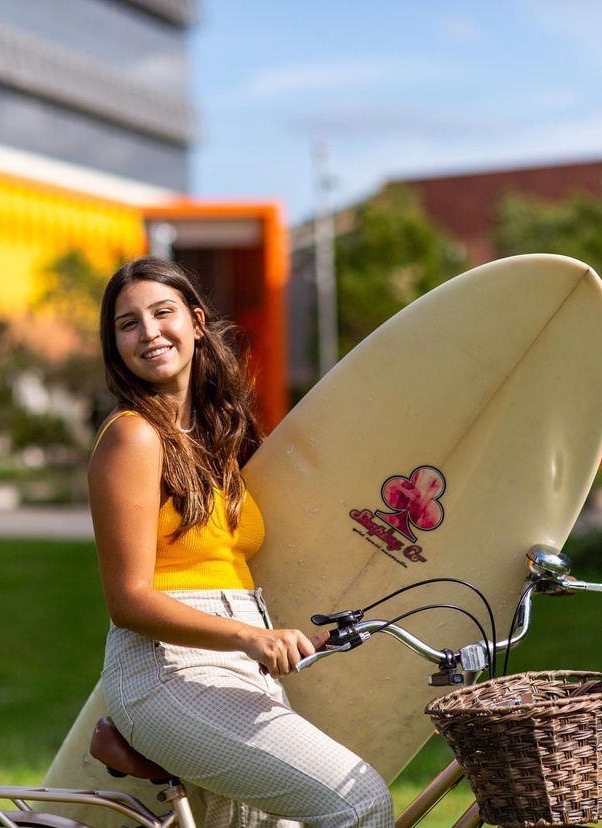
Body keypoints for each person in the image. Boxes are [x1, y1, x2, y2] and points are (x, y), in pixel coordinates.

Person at [89, 256, 395, 827]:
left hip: (239, 671)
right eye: (128, 324)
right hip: (167, 674)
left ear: (197, 322)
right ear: (116, 345)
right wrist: (250, 636)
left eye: (163, 313)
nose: (149, 332)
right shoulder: (133, 436)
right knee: (358, 802)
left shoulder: (217, 440)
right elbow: (127, 599)